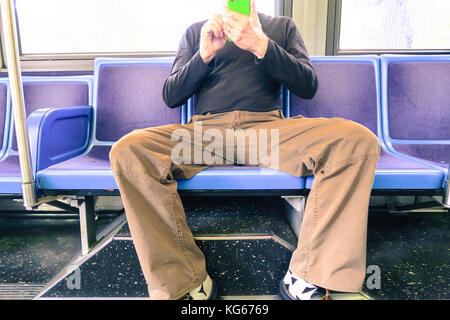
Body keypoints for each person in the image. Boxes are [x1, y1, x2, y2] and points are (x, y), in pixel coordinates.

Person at [109, 0, 380, 300]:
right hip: (205, 138)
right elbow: (172, 95)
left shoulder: (282, 27)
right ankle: (184, 281)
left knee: (357, 142)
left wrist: (262, 45)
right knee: (129, 150)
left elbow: (307, 85)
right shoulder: (197, 32)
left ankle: (308, 277)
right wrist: (204, 55)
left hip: (268, 134)